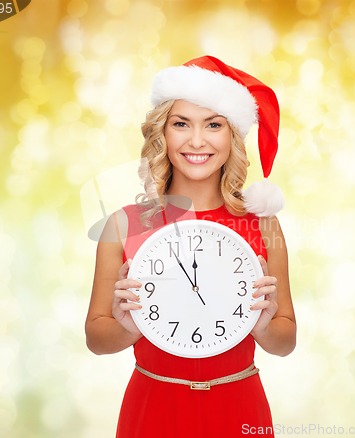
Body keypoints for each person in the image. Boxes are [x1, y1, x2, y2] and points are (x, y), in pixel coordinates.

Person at [85, 56, 296, 438]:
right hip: (153, 408)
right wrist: (128, 328)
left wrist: (264, 326)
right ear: (162, 133)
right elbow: (97, 338)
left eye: (213, 125)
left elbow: (285, 341)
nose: (197, 141)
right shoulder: (122, 225)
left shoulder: (264, 224)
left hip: (239, 407)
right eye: (181, 124)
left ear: (232, 136)